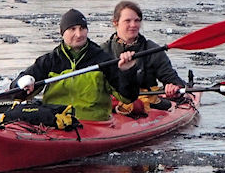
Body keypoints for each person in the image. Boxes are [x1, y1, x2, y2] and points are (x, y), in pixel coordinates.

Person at [10, 8, 139, 121]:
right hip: (57, 122)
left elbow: (128, 98)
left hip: (93, 124)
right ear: (62, 33)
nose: (79, 34)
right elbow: (16, 93)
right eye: (72, 29)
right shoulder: (49, 61)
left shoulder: (103, 60)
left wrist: (127, 72)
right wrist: (23, 82)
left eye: (82, 28)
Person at [101, 0, 185, 113]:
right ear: (115, 22)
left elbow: (172, 78)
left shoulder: (153, 50)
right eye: (128, 21)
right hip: (113, 104)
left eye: (137, 20)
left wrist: (174, 87)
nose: (133, 25)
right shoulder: (102, 51)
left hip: (147, 104)